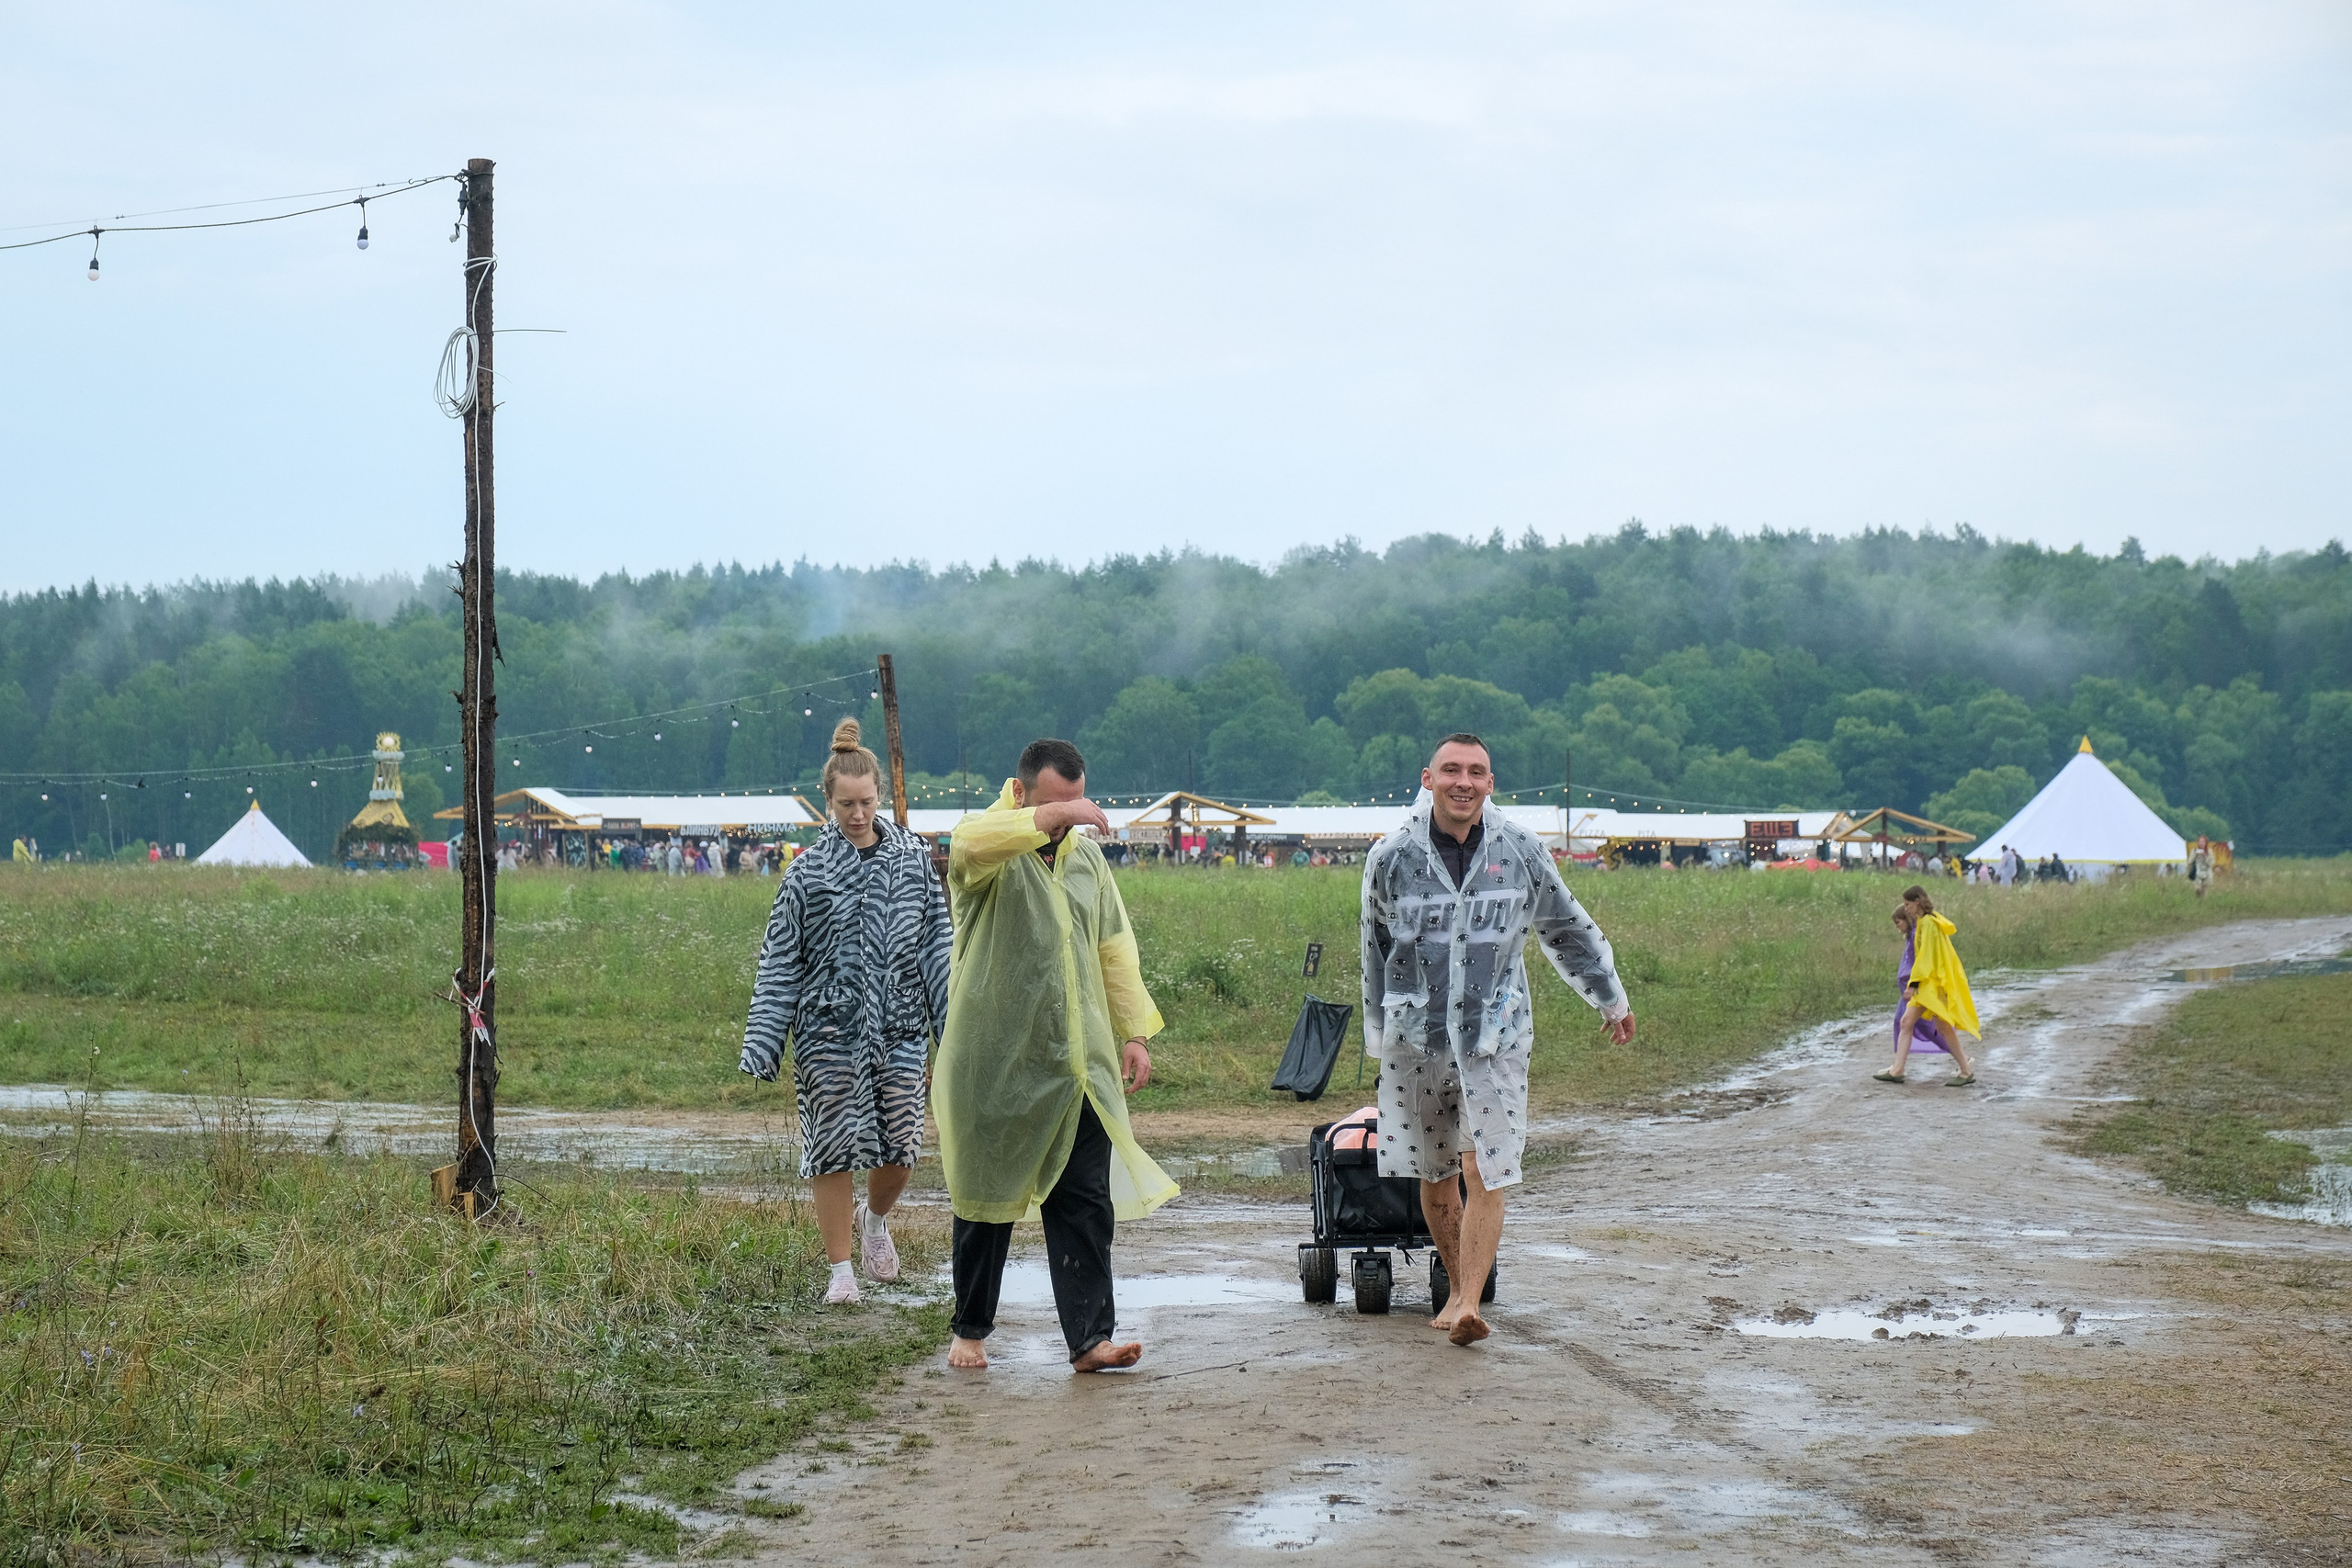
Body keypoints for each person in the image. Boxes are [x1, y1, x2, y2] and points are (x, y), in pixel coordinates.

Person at [1360, 733, 1635, 1348]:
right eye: (1451, 770)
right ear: (1427, 778)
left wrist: (1610, 996)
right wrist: (1377, 1033)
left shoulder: (1521, 851)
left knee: (1486, 1167)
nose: (1464, 781)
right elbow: (1375, 946)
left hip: (1497, 1034)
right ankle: (1456, 1284)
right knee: (1435, 1175)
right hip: (1419, 1038)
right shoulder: (1391, 856)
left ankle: (1468, 1304)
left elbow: (1566, 925)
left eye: (1477, 772)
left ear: (1491, 782)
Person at [934, 738, 1173, 1373]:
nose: (1068, 819)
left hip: (1077, 1064)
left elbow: (1114, 948)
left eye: (1077, 805)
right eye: (1055, 807)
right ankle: (971, 1328)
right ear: (1021, 794)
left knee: (1084, 1200)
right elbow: (967, 850)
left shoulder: (1086, 863)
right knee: (987, 1198)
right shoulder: (984, 843)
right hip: (995, 1060)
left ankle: (1091, 1338)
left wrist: (1132, 1033)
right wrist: (1049, 818)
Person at [741, 719, 952, 1305]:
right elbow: (781, 959)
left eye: (866, 802)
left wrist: (950, 1028)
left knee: (903, 1148)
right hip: (826, 1031)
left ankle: (875, 1220)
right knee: (831, 1148)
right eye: (845, 804)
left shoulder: (913, 860)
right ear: (827, 802)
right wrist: (764, 1041)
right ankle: (840, 1274)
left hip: (901, 1025)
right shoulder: (806, 872)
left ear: (878, 796)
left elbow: (937, 943)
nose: (857, 815)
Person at [1873, 885, 1980, 1087]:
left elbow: (1926, 957)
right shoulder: (1926, 922)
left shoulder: (1929, 923)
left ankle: (1966, 1070)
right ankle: (1898, 1069)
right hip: (1927, 984)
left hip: (1930, 986)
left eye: (1907, 904)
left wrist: (1913, 984)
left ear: (1918, 901)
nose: (1905, 908)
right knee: (1907, 1022)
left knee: (1942, 1026)